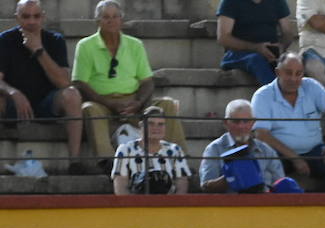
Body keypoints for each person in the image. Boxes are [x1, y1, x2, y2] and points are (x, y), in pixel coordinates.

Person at [72, 0, 187, 168]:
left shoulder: (135, 45)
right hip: (102, 103)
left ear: (122, 20)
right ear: (97, 21)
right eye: (106, 17)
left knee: (167, 104)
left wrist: (138, 103)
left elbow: (147, 81)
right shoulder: (85, 45)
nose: (111, 21)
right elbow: (79, 82)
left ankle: (180, 159)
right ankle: (108, 162)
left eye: (115, 17)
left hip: (135, 104)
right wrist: (109, 103)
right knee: (89, 108)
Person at [0, 0, 85, 174]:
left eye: (36, 16)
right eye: (26, 16)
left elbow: (63, 82)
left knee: (72, 94)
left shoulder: (55, 40)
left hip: (47, 103)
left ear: (43, 17)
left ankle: (74, 162)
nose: (31, 21)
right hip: (14, 104)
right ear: (17, 18)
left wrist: (39, 50)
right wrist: (13, 92)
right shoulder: (5, 40)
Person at [251, 52, 325, 193]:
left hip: (313, 150)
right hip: (278, 154)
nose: (293, 79)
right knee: (262, 164)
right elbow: (261, 135)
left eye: (298, 74)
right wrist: (295, 158)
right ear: (278, 72)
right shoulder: (263, 95)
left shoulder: (311, 86)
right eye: (288, 73)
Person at [199, 98, 284, 192]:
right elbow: (205, 187)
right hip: (229, 204)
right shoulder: (214, 149)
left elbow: (281, 184)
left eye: (246, 121)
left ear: (253, 123)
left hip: (263, 204)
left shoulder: (266, 150)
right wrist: (230, 177)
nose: (241, 126)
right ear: (226, 123)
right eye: (236, 121)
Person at [110, 106, 192, 195]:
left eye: (160, 124)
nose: (156, 128)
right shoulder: (125, 150)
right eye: (151, 123)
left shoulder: (175, 150)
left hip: (169, 204)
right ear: (141, 125)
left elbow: (182, 183)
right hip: (137, 204)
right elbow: (120, 187)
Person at [217, 0, 294, 87]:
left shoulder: (278, 2)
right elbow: (223, 38)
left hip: (270, 53)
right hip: (237, 54)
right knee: (256, 59)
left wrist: (280, 48)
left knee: (293, 60)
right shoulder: (230, 2)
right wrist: (257, 48)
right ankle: (274, 96)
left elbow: (288, 33)